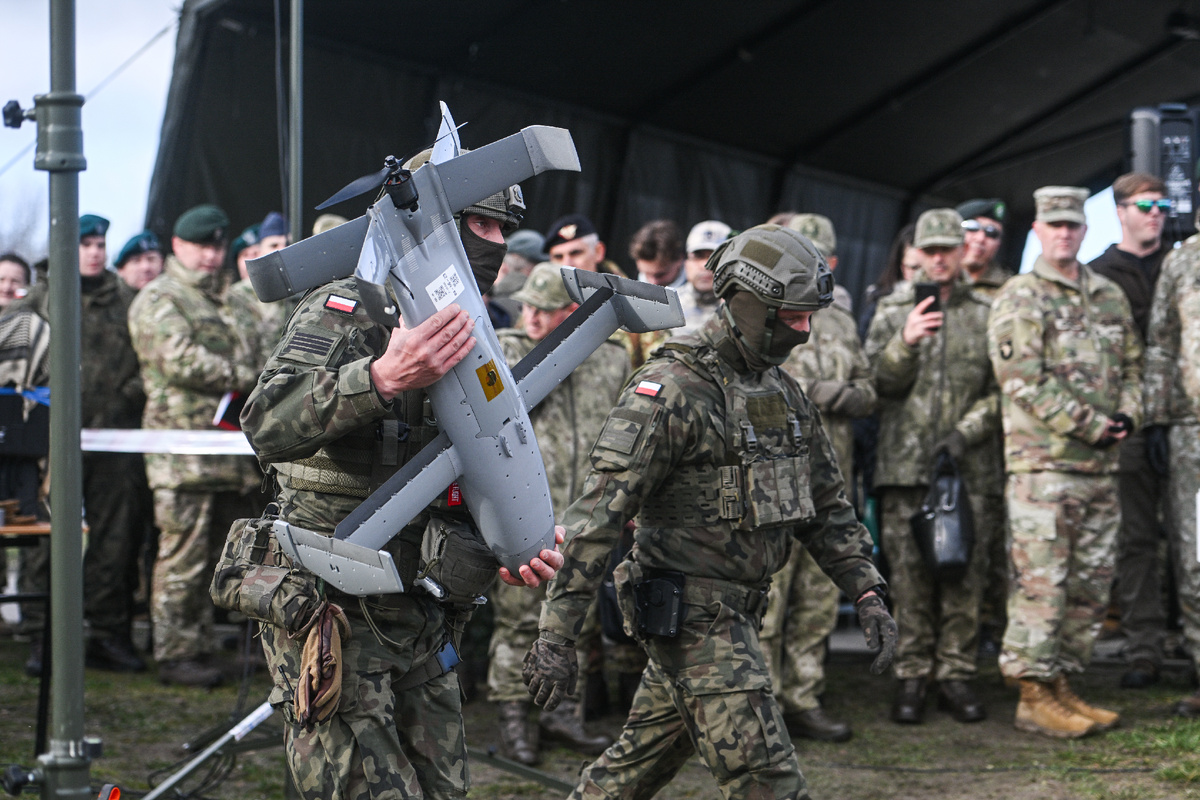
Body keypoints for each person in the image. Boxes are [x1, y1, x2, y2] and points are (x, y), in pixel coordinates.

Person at [524, 224, 896, 800]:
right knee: (768, 780)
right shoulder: (671, 390)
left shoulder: (783, 393)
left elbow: (825, 502)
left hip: (740, 611)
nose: (804, 330)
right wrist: (557, 634)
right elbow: (596, 517)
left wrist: (865, 587)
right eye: (792, 315)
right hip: (691, 618)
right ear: (748, 305)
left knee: (631, 770)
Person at [240, 176, 564, 799]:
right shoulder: (352, 305)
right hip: (335, 604)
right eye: (483, 225)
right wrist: (382, 377)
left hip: (425, 611)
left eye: (504, 228)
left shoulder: (474, 324)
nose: (496, 243)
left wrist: (515, 534)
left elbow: (467, 453)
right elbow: (265, 422)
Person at [988, 186, 1142, 739]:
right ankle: (1031, 692)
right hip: (1044, 470)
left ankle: (1062, 684)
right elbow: (1020, 380)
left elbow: (1133, 365)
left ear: (1084, 230)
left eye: (1073, 225)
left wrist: (1128, 414)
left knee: (1089, 585)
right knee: (1041, 585)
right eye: (1053, 225)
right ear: (1036, 231)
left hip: (1100, 470)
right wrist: (1092, 425)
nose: (1064, 233)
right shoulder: (1020, 296)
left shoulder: (1106, 294)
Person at [488, 262, 626, 765]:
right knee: (519, 616)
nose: (532, 319)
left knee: (577, 615)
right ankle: (513, 718)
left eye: (545, 312)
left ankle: (562, 711)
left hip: (588, 512)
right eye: (527, 307)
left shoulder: (609, 358)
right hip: (526, 510)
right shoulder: (504, 352)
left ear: (573, 313)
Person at [865, 208, 999, 725]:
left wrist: (963, 435)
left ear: (963, 252)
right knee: (911, 578)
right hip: (905, 467)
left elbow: (998, 391)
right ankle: (912, 676)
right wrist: (906, 342)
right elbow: (876, 384)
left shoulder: (986, 313)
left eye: (950, 248)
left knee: (965, 576)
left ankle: (957, 675)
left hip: (967, 469)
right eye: (931, 249)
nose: (940, 259)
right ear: (916, 252)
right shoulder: (893, 308)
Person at [9, 213, 153, 674]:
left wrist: (124, 399)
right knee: (47, 539)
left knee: (116, 541)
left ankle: (108, 635)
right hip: (51, 445)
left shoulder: (128, 300)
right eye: (84, 243)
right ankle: (41, 638)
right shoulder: (36, 302)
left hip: (113, 441)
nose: (94, 251)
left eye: (99, 243)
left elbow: (148, 362)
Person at [128, 204, 263, 687]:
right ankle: (177, 651)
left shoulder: (227, 297)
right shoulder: (161, 298)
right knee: (182, 558)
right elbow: (178, 359)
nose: (211, 255)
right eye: (203, 246)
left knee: (218, 558)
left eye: (218, 246)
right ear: (178, 246)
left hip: (226, 454)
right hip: (181, 456)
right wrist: (250, 378)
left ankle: (206, 645)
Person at [758, 212, 877, 743]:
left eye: (825, 257)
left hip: (829, 488)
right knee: (768, 603)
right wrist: (828, 392)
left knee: (816, 603)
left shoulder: (845, 323)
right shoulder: (764, 315)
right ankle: (759, 708)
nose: (820, 265)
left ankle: (803, 698)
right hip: (774, 486)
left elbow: (869, 391)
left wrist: (839, 394)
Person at [1087, 172, 1172, 689]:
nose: (1155, 212)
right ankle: (1145, 649)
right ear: (1121, 210)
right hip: (1131, 425)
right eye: (1145, 204)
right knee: (1138, 540)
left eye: (1161, 203)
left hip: (1187, 419)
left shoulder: (1184, 264)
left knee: (1195, 540)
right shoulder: (1101, 274)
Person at [1141, 208, 1200, 718]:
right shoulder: (1181, 264)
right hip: (1193, 432)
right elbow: (1160, 345)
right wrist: (1157, 418)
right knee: (1196, 556)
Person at [954, 197, 1013, 657]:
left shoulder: (1010, 291)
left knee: (992, 547)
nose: (980, 239)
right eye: (972, 227)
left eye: (992, 232)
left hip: (994, 444)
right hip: (927, 442)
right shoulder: (927, 286)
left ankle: (990, 633)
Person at [225, 211, 298, 374]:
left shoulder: (308, 286)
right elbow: (243, 353)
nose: (282, 250)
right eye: (273, 245)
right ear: (258, 252)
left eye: (288, 243)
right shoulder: (241, 295)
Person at [787, 213, 853, 312]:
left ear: (832, 263)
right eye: (798, 254)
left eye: (817, 257)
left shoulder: (837, 298)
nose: (806, 262)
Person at [678, 219, 730, 332]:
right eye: (698, 256)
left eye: (715, 257)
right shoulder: (670, 305)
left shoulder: (740, 310)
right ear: (686, 262)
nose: (705, 265)